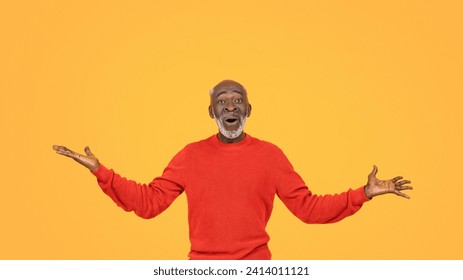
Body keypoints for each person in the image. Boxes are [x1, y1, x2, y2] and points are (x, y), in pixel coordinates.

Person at [53, 80, 412, 260]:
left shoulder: (270, 156)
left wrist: (363, 194)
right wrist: (101, 171)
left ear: (248, 110)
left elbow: (308, 209)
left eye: (237, 100)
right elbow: (150, 203)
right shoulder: (190, 156)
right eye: (222, 101)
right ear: (211, 112)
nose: (230, 105)